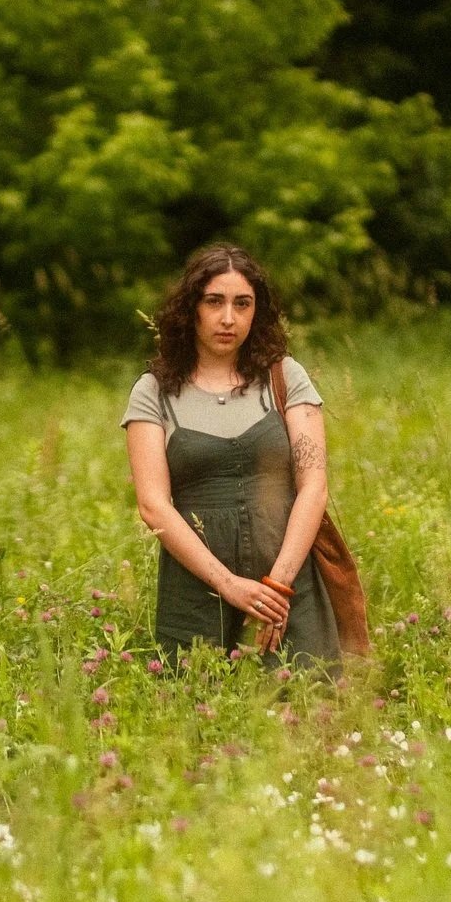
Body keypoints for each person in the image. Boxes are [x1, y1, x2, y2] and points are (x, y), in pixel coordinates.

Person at [122, 242, 339, 666]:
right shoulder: (154, 391)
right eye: (214, 302)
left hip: (289, 588)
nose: (228, 318)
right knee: (198, 717)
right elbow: (153, 507)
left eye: (243, 304)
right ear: (192, 309)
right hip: (196, 594)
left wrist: (279, 587)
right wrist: (230, 585)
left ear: (256, 312)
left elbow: (314, 486)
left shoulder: (284, 376)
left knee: (309, 710)